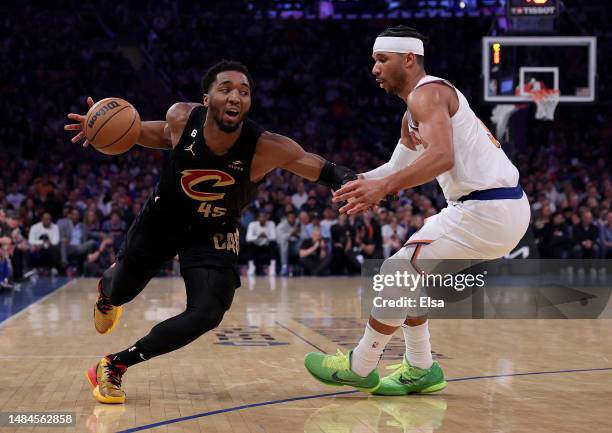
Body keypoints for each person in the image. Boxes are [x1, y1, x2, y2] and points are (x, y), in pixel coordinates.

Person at [65, 60, 356, 404]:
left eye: (244, 92)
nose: (235, 96)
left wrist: (353, 180)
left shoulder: (266, 146)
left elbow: (321, 167)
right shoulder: (180, 118)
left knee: (208, 311)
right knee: (122, 290)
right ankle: (107, 294)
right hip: (164, 218)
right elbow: (147, 132)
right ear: (206, 98)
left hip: (214, 228)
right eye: (226, 89)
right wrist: (100, 127)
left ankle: (115, 364)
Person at [304, 26, 530, 396]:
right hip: (487, 207)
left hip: (489, 207)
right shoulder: (413, 112)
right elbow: (394, 169)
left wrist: (384, 188)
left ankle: (361, 366)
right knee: (409, 278)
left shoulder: (428, 93)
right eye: (373, 60)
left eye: (382, 59)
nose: (374, 69)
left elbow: (442, 157)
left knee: (396, 271)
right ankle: (421, 367)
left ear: (409, 58)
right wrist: (351, 180)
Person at [245, 210, 277, 276]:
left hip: (266, 246)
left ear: (267, 218)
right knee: (249, 244)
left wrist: (267, 236)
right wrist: (258, 236)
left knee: (273, 243)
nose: (262, 219)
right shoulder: (252, 224)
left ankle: (272, 268)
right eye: (261, 217)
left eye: (264, 217)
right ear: (258, 218)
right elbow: (248, 238)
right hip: (256, 246)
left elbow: (274, 237)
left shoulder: (271, 224)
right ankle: (251, 267)